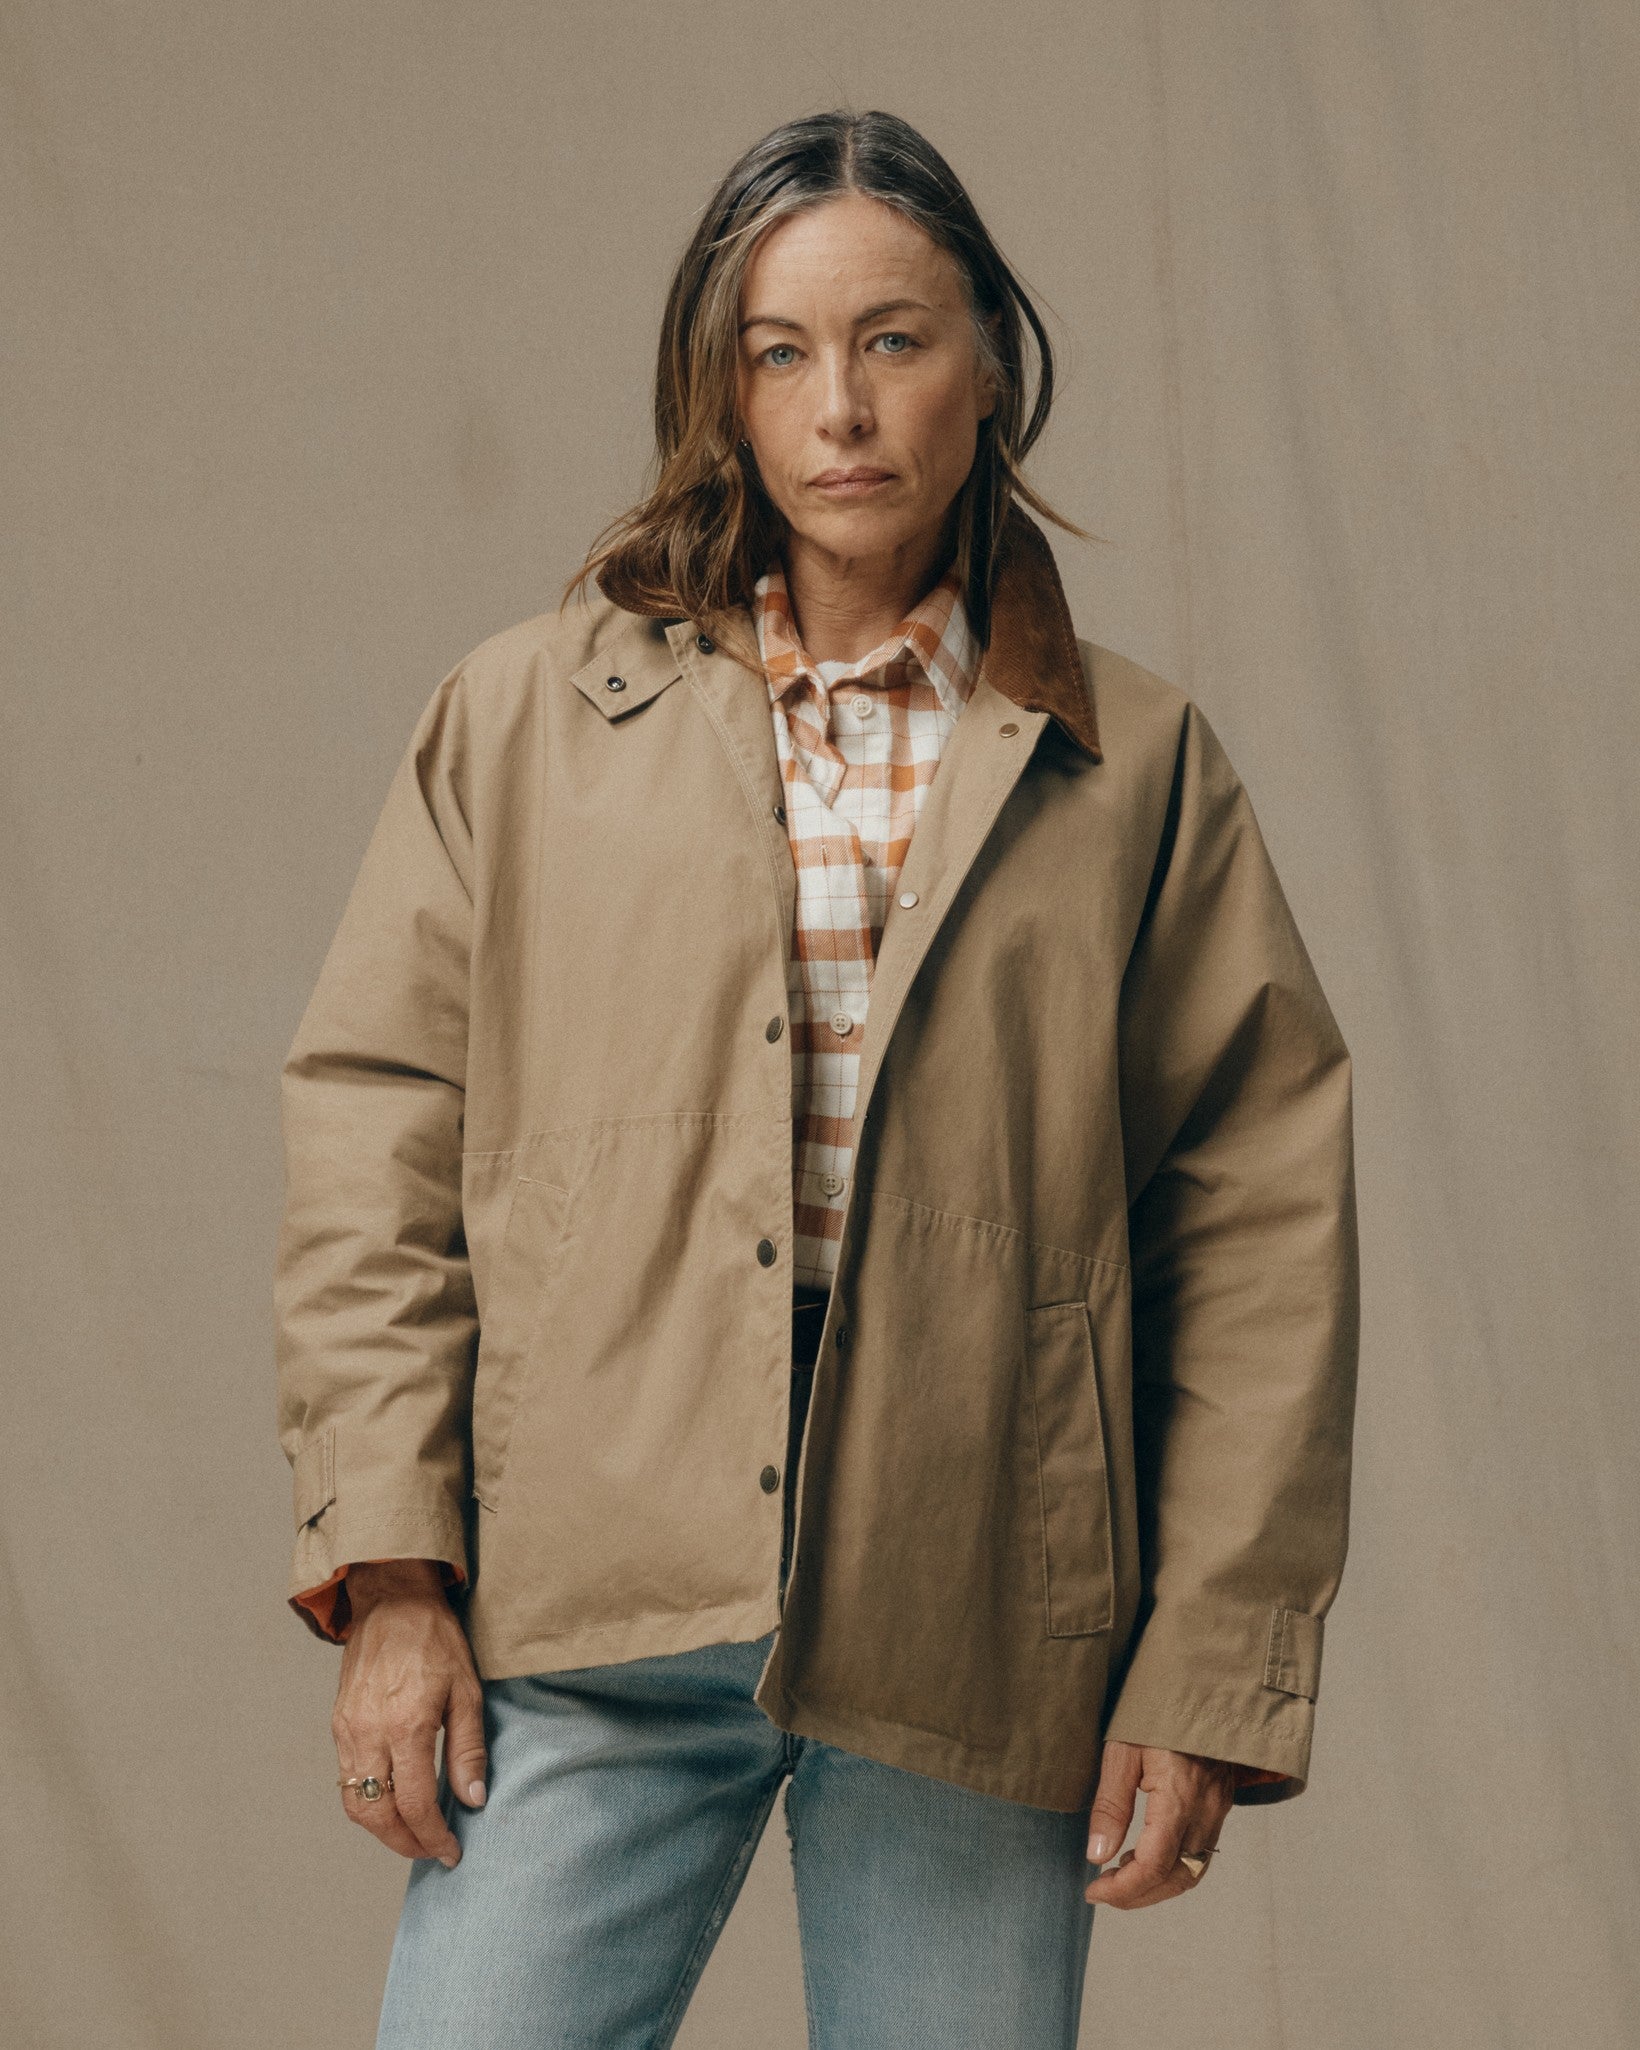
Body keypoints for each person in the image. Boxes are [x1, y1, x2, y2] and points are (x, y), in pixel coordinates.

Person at [275, 107, 1359, 2050]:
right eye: (781, 351)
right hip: (593, 1575)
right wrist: (392, 1573)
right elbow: (377, 1138)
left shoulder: (1135, 770)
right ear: (724, 388)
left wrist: (1212, 1655)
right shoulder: (521, 721)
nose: (839, 406)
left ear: (988, 368)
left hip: (976, 1585)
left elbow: (1260, 1230)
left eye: (893, 339)